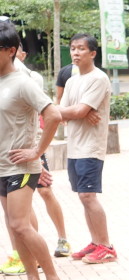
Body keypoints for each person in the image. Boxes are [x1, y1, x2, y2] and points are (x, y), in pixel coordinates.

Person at [0, 20, 66, 280]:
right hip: (2, 166)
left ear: (11, 50)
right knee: (14, 226)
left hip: (21, 166)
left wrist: (37, 152)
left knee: (21, 224)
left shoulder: (23, 83)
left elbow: (54, 115)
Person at [56, 33, 115, 265]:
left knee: (88, 196)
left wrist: (81, 111)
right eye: (73, 48)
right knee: (83, 197)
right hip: (74, 147)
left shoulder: (98, 78)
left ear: (92, 53)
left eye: (81, 48)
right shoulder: (72, 81)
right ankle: (95, 241)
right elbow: (61, 114)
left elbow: (75, 111)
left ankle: (106, 247)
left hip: (91, 147)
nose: (75, 52)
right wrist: (79, 111)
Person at [14, 45, 72, 259]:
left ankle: (62, 238)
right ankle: (32, 254)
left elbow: (49, 113)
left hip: (33, 146)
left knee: (45, 191)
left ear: (21, 55)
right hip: (14, 152)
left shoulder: (31, 78)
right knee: (23, 202)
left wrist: (37, 155)